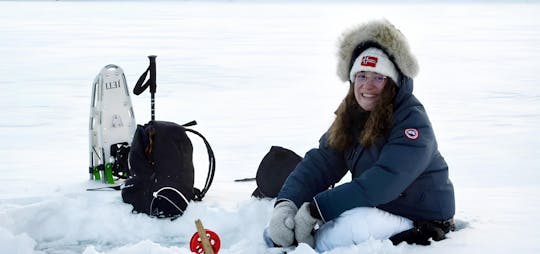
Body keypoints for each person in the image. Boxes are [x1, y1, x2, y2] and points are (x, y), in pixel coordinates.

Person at [265, 19, 455, 252]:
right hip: (380, 208)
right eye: (362, 76)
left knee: (329, 240)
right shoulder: (353, 115)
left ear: (393, 83)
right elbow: (321, 163)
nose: (368, 86)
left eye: (379, 77)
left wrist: (316, 210)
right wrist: (286, 205)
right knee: (287, 230)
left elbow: (383, 183)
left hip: (419, 217)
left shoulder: (411, 121)